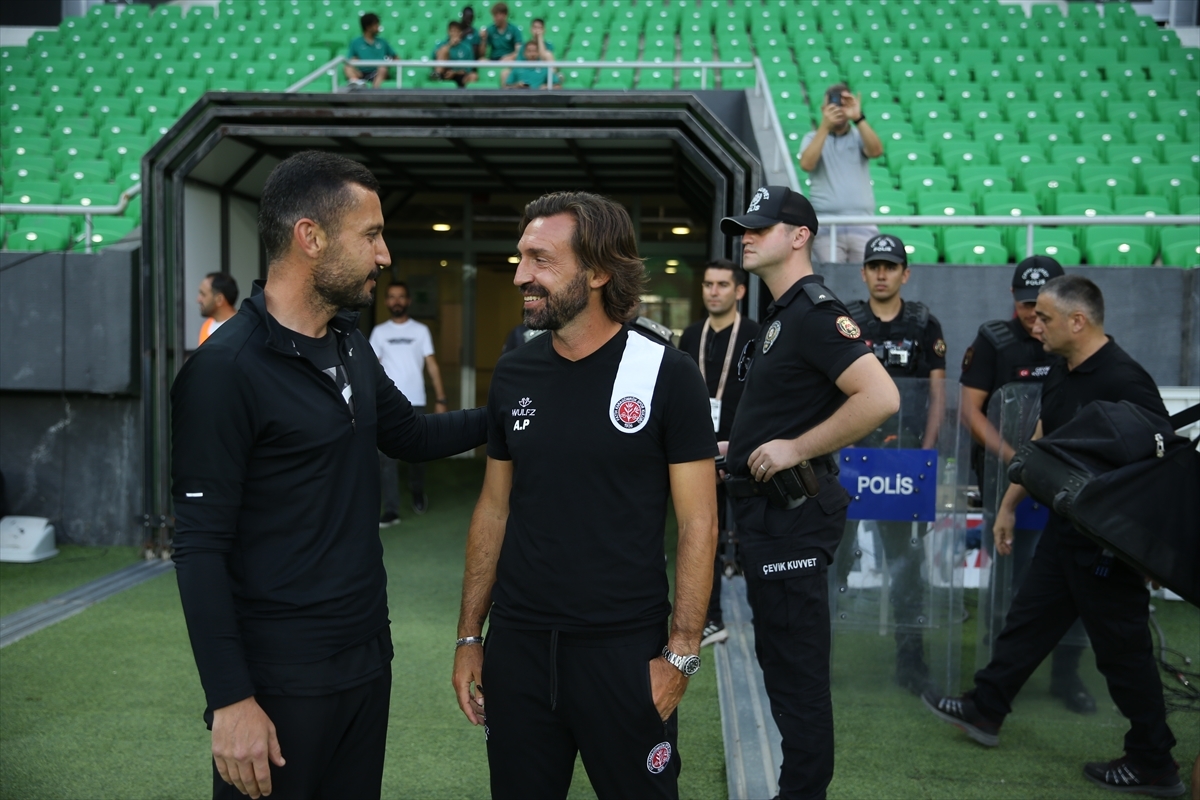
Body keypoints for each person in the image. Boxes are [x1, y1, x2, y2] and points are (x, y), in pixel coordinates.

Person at [171, 151, 488, 800]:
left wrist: (519, 410)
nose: (385, 256)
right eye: (370, 235)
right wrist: (230, 699)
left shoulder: (349, 341)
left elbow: (414, 436)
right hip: (279, 676)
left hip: (368, 659)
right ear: (309, 237)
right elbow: (199, 546)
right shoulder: (225, 368)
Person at [452, 191, 718, 800]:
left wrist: (680, 655)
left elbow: (700, 524)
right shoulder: (515, 371)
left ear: (598, 272)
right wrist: (471, 637)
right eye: (521, 258)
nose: (521, 275)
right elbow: (493, 510)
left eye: (540, 260)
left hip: (623, 653)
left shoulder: (665, 373)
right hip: (516, 651)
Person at [923, 276, 1184, 798]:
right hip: (1068, 529)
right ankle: (986, 707)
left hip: (1109, 543)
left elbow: (1165, 470)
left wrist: (1157, 552)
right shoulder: (1062, 370)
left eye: (1043, 317)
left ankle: (1155, 763)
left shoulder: (1126, 380)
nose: (1033, 324)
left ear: (1077, 321)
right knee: (1029, 620)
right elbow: (1046, 443)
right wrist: (1008, 505)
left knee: (1123, 653)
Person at [719, 185, 900, 799]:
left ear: (800, 237)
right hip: (767, 517)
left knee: (795, 675)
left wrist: (796, 449)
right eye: (743, 226)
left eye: (760, 227)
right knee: (781, 663)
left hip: (793, 515)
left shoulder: (816, 313)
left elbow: (881, 398)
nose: (746, 235)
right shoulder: (779, 316)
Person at [959, 255, 1094, 715]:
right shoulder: (995, 340)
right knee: (1011, 577)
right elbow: (972, 409)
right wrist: (1013, 459)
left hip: (1067, 477)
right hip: (1007, 476)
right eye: (1023, 305)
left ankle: (1065, 674)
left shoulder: (1074, 344)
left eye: (1038, 307)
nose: (1030, 315)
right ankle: (1001, 671)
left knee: (1068, 573)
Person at [836, 232, 946, 694]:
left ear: (905, 273)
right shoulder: (846, 322)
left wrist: (925, 455)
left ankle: (910, 662)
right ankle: (819, 657)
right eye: (874, 266)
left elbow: (937, 395)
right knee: (834, 559)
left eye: (891, 266)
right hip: (849, 458)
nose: (882, 274)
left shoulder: (924, 323)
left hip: (902, 464)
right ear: (863, 272)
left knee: (905, 565)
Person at [678, 258, 760, 648]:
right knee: (700, 536)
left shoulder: (757, 336)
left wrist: (736, 452)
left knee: (752, 537)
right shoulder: (690, 336)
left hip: (744, 454)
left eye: (722, 285)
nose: (713, 291)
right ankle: (710, 618)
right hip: (697, 455)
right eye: (708, 284)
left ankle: (764, 619)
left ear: (739, 291)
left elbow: (760, 403)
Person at [370, 281, 448, 522]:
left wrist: (441, 398)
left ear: (408, 301)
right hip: (388, 403)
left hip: (416, 400)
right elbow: (371, 370)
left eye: (401, 297)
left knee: (417, 453)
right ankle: (391, 509)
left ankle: (417, 491)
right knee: (386, 459)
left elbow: (432, 365)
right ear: (386, 301)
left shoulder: (421, 331)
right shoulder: (379, 333)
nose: (396, 301)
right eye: (392, 297)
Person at [798, 83, 884, 266]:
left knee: (864, 279)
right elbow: (807, 164)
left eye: (844, 103)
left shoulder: (859, 135)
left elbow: (876, 151)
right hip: (826, 224)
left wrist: (858, 117)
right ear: (823, 109)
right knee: (832, 281)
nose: (839, 109)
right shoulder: (812, 137)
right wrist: (825, 126)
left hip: (863, 222)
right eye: (834, 105)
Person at [345, 13, 397, 89]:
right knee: (347, 68)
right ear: (368, 27)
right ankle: (356, 83)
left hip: (377, 73)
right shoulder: (355, 42)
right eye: (376, 25)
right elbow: (350, 60)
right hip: (361, 73)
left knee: (383, 69)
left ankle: (374, 91)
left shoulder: (383, 42)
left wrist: (390, 64)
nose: (378, 27)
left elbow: (396, 57)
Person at [197, 272, 238, 347]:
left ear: (219, 299)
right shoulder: (206, 326)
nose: (198, 300)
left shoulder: (242, 328)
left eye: (203, 294)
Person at [432, 21, 478, 87]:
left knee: (473, 76)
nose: (454, 34)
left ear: (460, 33)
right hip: (445, 73)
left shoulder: (467, 47)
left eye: (456, 31)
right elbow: (435, 57)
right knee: (444, 50)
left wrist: (454, 72)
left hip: (460, 74)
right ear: (448, 32)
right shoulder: (442, 44)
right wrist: (450, 44)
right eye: (452, 31)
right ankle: (438, 76)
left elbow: (469, 68)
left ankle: (466, 95)